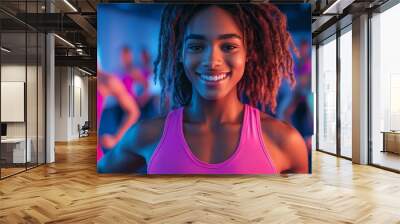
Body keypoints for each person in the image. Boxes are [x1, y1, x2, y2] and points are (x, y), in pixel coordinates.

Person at [98, 3, 308, 174]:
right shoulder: (148, 135)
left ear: (248, 54)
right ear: (180, 53)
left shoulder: (285, 141)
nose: (212, 61)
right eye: (196, 47)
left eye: (228, 47)